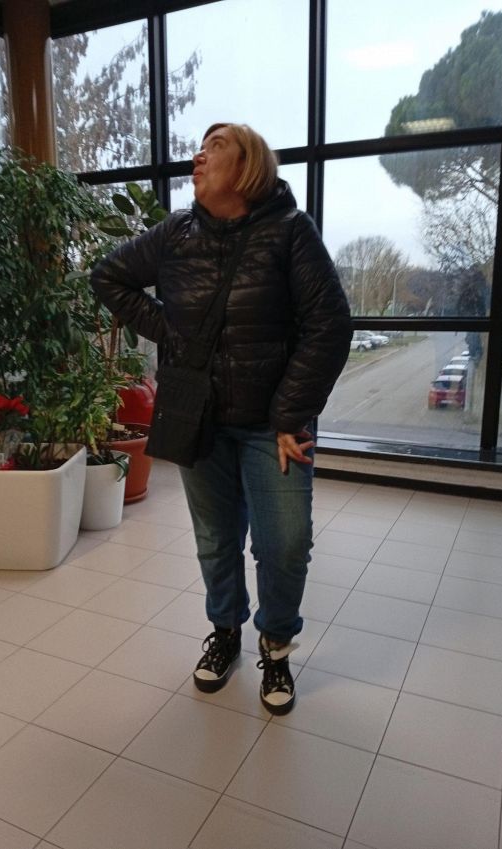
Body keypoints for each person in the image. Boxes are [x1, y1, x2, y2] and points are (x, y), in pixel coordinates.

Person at [91, 123, 352, 714]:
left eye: (216, 147)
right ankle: (226, 631)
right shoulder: (175, 233)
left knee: (285, 545)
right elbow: (109, 276)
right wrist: (170, 331)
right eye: (200, 147)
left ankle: (276, 645)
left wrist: (290, 414)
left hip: (273, 427)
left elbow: (330, 325)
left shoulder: (290, 231)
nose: (198, 156)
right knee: (215, 541)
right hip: (198, 417)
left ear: (248, 166)